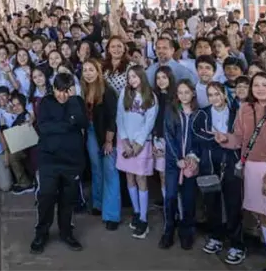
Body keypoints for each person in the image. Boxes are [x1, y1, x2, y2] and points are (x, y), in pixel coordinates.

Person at [216, 72, 266, 270]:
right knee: (262, 218)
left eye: (265, 85)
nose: (260, 89)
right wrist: (225, 139)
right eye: (256, 85)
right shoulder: (245, 109)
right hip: (251, 168)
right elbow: (240, 138)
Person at [30, 73, 88, 254]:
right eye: (58, 90)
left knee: (68, 199)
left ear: (71, 89)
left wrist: (71, 104)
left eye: (66, 91)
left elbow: (83, 122)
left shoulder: (76, 101)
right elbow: (44, 127)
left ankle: (66, 232)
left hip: (72, 160)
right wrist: (68, 124)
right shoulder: (46, 102)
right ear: (53, 88)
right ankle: (41, 233)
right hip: (49, 159)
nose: (62, 95)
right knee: (46, 196)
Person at [192, 82, 244, 262]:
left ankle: (237, 244)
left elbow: (242, 136)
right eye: (211, 94)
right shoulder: (202, 113)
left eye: (217, 94)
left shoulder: (237, 112)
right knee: (211, 200)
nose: (214, 98)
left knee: (233, 203)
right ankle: (216, 236)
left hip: (231, 161)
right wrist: (215, 138)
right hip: (209, 162)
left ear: (224, 94)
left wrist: (227, 140)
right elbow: (196, 133)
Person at [116, 66, 158, 239]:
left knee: (141, 178)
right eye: (129, 77)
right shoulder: (125, 94)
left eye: (135, 76)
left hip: (141, 144)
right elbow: (119, 116)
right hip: (125, 142)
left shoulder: (151, 97)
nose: (132, 79)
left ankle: (143, 218)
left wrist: (138, 144)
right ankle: (136, 210)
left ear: (142, 76)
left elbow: (149, 123)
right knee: (129, 177)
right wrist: (125, 142)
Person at [80, 58, 121, 230]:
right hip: (90, 132)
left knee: (110, 171)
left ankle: (112, 215)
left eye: (91, 70)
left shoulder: (108, 91)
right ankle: (98, 204)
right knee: (96, 169)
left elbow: (113, 117)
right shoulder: (84, 89)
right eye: (85, 70)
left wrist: (109, 141)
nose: (88, 73)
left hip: (107, 134)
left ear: (98, 71)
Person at [160, 79, 199, 250]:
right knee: (170, 196)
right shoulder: (171, 110)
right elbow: (168, 135)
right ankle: (168, 231)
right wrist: (177, 158)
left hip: (191, 162)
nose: (184, 95)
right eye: (180, 92)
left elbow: (200, 137)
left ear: (193, 93)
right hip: (173, 162)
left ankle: (187, 231)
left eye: (187, 92)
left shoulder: (199, 113)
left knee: (189, 199)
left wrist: (193, 156)